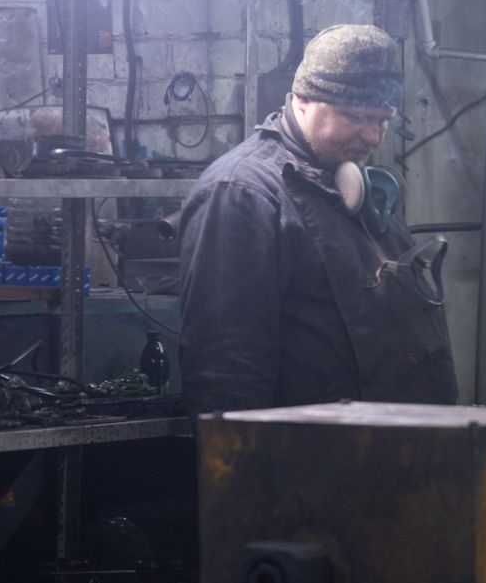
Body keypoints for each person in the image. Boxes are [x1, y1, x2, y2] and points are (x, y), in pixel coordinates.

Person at [178, 24, 458, 417]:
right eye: (357, 116)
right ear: (303, 99)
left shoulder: (354, 185)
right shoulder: (243, 195)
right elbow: (225, 375)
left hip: (396, 445)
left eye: (383, 119)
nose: (374, 137)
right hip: (312, 452)